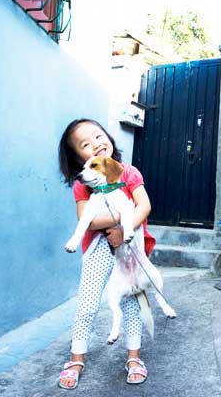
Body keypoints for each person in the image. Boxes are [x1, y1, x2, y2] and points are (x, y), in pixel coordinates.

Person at [57, 118, 156, 389]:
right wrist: (115, 220)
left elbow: (143, 205)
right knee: (88, 303)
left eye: (98, 136)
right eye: (85, 145)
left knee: (132, 301)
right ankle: (76, 359)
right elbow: (84, 219)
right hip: (98, 247)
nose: (96, 144)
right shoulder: (84, 185)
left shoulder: (129, 172)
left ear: (109, 138)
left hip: (128, 245)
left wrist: (124, 230)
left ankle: (134, 358)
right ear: (79, 160)